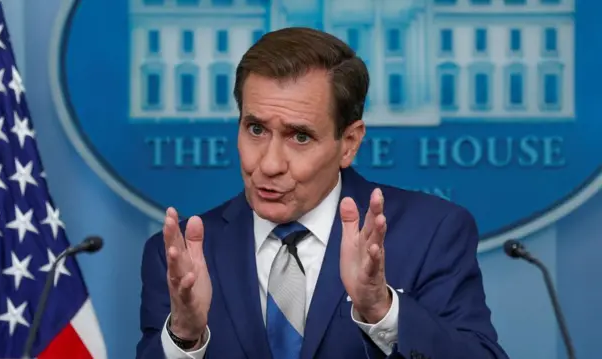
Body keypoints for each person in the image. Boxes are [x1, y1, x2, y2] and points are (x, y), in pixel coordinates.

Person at [136, 27, 509, 359]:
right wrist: (183, 338)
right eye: (255, 129)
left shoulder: (430, 232)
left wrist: (381, 309)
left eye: (300, 136)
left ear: (349, 142)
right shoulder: (178, 256)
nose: (269, 164)